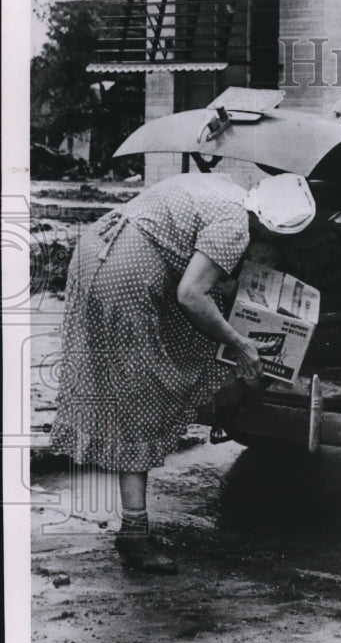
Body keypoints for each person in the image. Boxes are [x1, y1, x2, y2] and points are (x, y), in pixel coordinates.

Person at [49, 170, 316, 573]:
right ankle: (135, 535)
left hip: (100, 249)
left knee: (144, 379)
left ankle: (135, 528)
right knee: (138, 395)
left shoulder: (227, 189)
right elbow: (191, 295)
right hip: (127, 276)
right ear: (268, 227)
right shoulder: (234, 228)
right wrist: (240, 343)